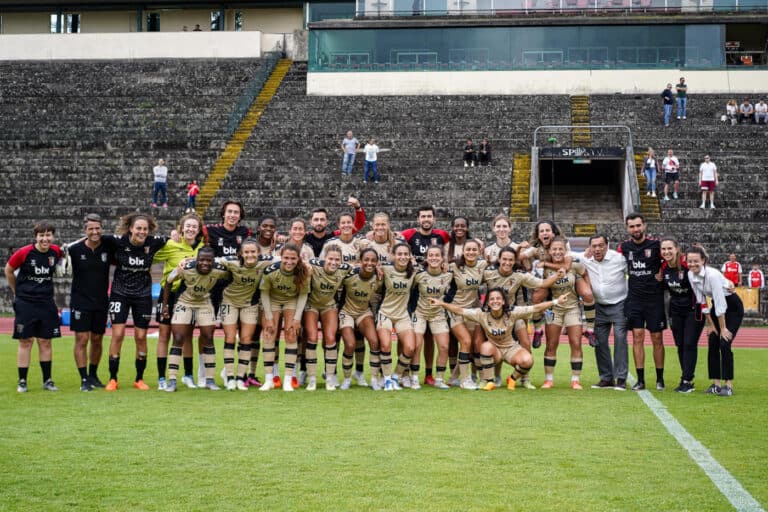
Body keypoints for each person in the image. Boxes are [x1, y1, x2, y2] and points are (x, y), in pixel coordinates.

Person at [431, 289, 569, 391]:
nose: (495, 301)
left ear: (503, 301)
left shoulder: (513, 312)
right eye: (492, 299)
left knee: (528, 360)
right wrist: (441, 303)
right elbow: (460, 310)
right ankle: (488, 381)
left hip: (510, 349)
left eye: (498, 299)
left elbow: (536, 307)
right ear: (488, 302)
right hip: (494, 350)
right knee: (484, 347)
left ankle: (512, 379)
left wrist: (556, 301)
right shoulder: (482, 314)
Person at [483, 246, 564, 389]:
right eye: (505, 259)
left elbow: (542, 283)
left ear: (515, 261)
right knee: (488, 344)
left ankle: (524, 378)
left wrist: (557, 276)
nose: (507, 263)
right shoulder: (488, 273)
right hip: (492, 315)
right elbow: (472, 279)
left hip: (513, 314)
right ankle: (492, 377)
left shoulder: (519, 276)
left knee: (526, 343)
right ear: (499, 260)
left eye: (511, 260)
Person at [104, 213, 168, 391]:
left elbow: (174, 240)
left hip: (143, 295)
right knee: (118, 334)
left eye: (145, 229)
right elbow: (94, 238)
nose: (142, 232)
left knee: (141, 337)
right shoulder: (117, 241)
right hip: (119, 293)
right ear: (130, 228)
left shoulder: (154, 242)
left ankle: (139, 379)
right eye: (138, 228)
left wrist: (176, 235)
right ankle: (113, 379)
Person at [5, 221, 63, 393]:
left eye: (48, 235)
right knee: (26, 341)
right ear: (36, 236)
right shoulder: (24, 253)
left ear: (52, 236)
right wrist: (17, 291)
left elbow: (64, 256)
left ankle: (48, 381)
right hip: (26, 303)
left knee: (45, 341)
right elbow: (8, 269)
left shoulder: (56, 252)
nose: (45, 239)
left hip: (46, 302)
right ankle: (22, 381)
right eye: (41, 235)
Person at [152, 213, 207, 390]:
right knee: (164, 334)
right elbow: (151, 258)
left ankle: (188, 375)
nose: (190, 229)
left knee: (187, 335)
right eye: (188, 226)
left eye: (194, 226)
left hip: (189, 296)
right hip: (168, 293)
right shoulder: (171, 244)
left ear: (198, 230)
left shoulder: (202, 248)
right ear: (181, 227)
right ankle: (162, 378)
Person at [162, 248, 229, 392]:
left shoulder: (219, 270)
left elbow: (232, 273)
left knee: (209, 337)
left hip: (204, 303)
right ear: (196, 259)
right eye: (202, 260)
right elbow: (168, 282)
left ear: (213, 261)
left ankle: (209, 380)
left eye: (209, 260)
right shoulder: (185, 268)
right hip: (184, 302)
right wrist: (165, 306)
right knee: (179, 338)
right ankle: (172, 380)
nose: (205, 263)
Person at [687, 246, 744, 397]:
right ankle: (716, 384)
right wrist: (711, 325)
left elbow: (721, 304)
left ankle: (728, 386)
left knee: (724, 343)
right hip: (717, 307)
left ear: (703, 261)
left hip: (732, 307)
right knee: (712, 341)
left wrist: (723, 328)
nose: (692, 264)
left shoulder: (712, 275)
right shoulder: (690, 275)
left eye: (696, 261)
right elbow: (701, 301)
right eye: (689, 261)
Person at [67, 213, 115, 391]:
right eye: (91, 229)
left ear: (101, 228)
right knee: (82, 338)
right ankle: (83, 378)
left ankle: (93, 375)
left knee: (97, 339)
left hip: (101, 300)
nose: (95, 232)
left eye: (97, 228)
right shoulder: (75, 250)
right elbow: (59, 252)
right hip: (80, 300)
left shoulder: (108, 247)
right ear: (85, 230)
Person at [618, 213, 665, 391]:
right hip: (635, 300)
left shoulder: (656, 245)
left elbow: (671, 258)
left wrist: (664, 272)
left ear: (644, 226)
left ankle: (660, 379)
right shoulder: (624, 247)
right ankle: (641, 380)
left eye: (638, 225)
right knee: (637, 338)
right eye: (632, 226)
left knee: (657, 338)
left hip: (654, 299)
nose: (635, 229)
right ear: (627, 228)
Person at [218, 239, 273, 390]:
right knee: (230, 338)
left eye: (253, 252)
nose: (250, 255)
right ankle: (229, 377)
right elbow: (211, 260)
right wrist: (186, 262)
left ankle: (240, 378)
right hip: (229, 302)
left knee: (246, 339)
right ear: (241, 254)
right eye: (246, 252)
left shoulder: (264, 262)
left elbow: (285, 259)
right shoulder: (231, 262)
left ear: (258, 253)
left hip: (249, 304)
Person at [539, 238, 592, 390]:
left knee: (576, 343)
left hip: (572, 307)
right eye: (554, 249)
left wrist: (587, 291)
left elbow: (585, 273)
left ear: (565, 250)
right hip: (553, 308)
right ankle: (548, 379)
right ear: (549, 251)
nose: (557, 252)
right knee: (551, 344)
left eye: (560, 249)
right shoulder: (544, 268)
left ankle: (575, 380)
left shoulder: (574, 264)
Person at [258, 243, 310, 392]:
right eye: (286, 258)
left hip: (291, 301)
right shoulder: (270, 271)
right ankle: (269, 380)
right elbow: (264, 293)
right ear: (281, 257)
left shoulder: (303, 272)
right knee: (268, 334)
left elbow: (303, 294)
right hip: (273, 300)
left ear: (298, 258)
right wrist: (268, 316)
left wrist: (297, 318)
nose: (289, 261)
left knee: (292, 335)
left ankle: (288, 379)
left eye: (293, 258)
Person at [581, 235, 629, 391]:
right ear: (590, 248)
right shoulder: (585, 260)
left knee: (620, 338)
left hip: (619, 304)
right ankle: (606, 378)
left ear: (607, 246)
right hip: (598, 307)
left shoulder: (619, 259)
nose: (597, 249)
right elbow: (568, 255)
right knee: (599, 341)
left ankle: (621, 378)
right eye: (594, 246)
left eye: (601, 245)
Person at [659, 237, 705, 393]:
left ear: (677, 249)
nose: (666, 252)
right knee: (680, 345)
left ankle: (687, 380)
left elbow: (705, 275)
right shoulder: (663, 267)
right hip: (676, 310)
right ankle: (686, 379)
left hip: (694, 309)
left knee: (689, 344)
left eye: (669, 248)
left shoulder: (687, 264)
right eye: (663, 249)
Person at [303, 247, 352, 390]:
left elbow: (358, 268)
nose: (333, 262)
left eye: (337, 259)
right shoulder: (314, 264)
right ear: (324, 258)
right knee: (312, 337)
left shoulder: (345, 269)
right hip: (311, 304)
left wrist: (378, 269)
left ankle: (330, 378)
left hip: (329, 305)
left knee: (330, 338)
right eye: (330, 259)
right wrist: (305, 264)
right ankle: (312, 379)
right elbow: (303, 263)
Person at [444, 239, 487, 390]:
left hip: (472, 311)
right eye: (468, 249)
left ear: (479, 251)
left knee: (470, 345)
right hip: (455, 309)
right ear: (463, 251)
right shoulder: (454, 266)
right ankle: (464, 380)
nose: (471, 252)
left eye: (474, 250)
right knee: (466, 342)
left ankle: (454, 377)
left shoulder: (482, 265)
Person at [338, 248, 383, 389]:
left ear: (377, 263)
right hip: (347, 311)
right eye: (366, 260)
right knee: (350, 344)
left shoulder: (379, 277)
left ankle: (374, 379)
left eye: (373, 260)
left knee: (374, 341)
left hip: (364, 311)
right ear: (360, 261)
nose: (370, 263)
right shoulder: (349, 274)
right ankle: (346, 379)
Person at [376, 243, 418, 391]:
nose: (403, 257)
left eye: (406, 254)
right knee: (386, 345)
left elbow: (433, 269)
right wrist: (377, 267)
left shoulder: (414, 271)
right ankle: (386, 380)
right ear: (394, 255)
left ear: (410, 256)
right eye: (399, 254)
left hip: (402, 315)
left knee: (410, 347)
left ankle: (395, 376)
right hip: (385, 313)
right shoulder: (386, 269)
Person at [411, 246, 454, 389]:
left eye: (437, 255)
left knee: (443, 346)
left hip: (438, 314)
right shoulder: (418, 274)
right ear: (427, 258)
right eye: (431, 255)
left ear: (442, 258)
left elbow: (454, 289)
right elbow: (410, 291)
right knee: (416, 345)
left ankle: (440, 379)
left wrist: (444, 302)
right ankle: (415, 377)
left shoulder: (448, 275)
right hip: (420, 313)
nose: (434, 258)